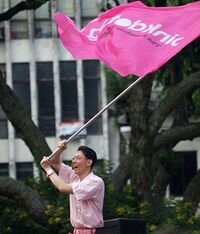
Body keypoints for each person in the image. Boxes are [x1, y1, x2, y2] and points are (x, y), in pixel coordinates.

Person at [40, 140, 105, 234]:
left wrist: (48, 169)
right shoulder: (74, 176)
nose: (73, 161)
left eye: (78, 158)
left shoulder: (95, 182)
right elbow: (54, 162)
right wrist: (60, 149)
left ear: (88, 162)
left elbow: (63, 188)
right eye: (73, 158)